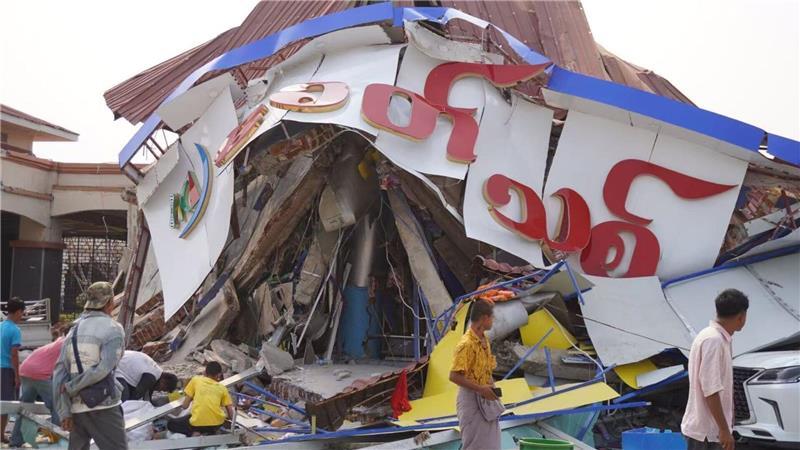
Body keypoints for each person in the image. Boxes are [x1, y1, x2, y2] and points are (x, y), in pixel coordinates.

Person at [53, 282, 127, 450]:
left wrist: (64, 410)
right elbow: (103, 369)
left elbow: (59, 373)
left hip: (77, 408)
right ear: (110, 303)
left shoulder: (73, 329)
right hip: (103, 404)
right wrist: (73, 386)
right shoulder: (113, 329)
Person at [682, 289, 749, 450]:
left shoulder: (712, 336)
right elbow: (711, 390)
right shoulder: (714, 340)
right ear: (741, 317)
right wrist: (724, 430)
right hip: (707, 432)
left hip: (707, 429)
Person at [448, 299, 503, 450]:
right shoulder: (466, 344)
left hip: (486, 399)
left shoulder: (484, 340)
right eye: (492, 317)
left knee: (491, 445)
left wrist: (491, 388)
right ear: (484, 318)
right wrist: (481, 389)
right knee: (475, 445)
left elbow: (486, 370)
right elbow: (454, 376)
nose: (493, 321)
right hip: (471, 400)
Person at [9, 325, 70, 447]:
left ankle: (15, 440)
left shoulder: (60, 340)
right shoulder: (68, 343)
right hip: (39, 374)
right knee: (57, 407)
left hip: (26, 369)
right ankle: (55, 443)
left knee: (25, 408)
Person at [167, 361, 234, 437]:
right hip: (215, 425)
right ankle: (207, 432)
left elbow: (185, 406)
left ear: (205, 372)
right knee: (200, 420)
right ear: (219, 374)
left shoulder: (196, 380)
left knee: (171, 423)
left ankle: (193, 433)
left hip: (197, 424)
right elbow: (231, 414)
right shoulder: (223, 388)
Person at [1, 297, 25, 444]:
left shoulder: (0, 326)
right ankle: (1, 434)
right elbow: (14, 354)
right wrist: (17, 376)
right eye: (22, 313)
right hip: (6, 369)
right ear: (18, 312)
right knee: (5, 403)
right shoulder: (15, 330)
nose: (22, 316)